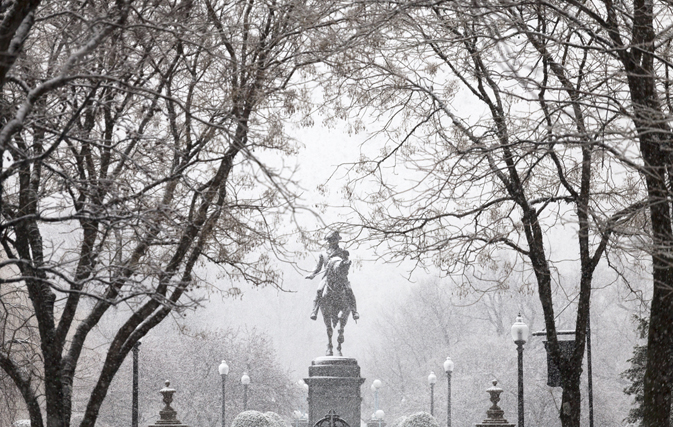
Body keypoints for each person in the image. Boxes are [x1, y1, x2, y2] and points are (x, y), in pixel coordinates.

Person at [305, 231, 359, 321]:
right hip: (327, 277)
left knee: (349, 290)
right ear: (328, 241)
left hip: (341, 277)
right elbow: (318, 267)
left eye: (335, 240)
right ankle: (314, 310)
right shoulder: (323, 254)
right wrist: (312, 273)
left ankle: (354, 311)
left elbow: (346, 266)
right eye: (331, 240)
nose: (333, 242)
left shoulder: (343, 252)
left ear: (338, 241)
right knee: (319, 290)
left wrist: (346, 264)